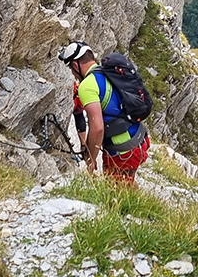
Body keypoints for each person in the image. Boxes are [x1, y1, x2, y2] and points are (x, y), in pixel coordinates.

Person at [59, 41, 151, 184]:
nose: (73, 73)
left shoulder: (87, 86)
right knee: (126, 187)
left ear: (76, 65)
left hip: (122, 151)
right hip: (139, 139)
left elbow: (98, 128)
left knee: (117, 197)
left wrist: (90, 160)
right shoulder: (107, 73)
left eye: (71, 67)